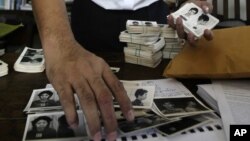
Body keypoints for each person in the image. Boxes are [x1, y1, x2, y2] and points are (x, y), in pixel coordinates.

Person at [31, 0, 214, 140]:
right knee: (85, 91)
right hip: (91, 15)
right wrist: (61, 45)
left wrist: (193, 5)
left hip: (154, 16)